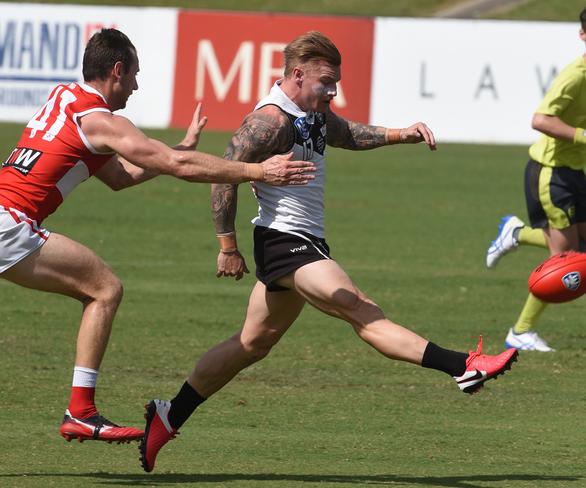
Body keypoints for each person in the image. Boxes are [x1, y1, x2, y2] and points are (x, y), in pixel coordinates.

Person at [138, 31, 518, 472]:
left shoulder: (312, 111)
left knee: (251, 343)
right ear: (298, 75)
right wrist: (227, 245)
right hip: (283, 242)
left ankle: (169, 415)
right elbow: (225, 172)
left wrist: (400, 133)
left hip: (306, 241)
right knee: (359, 309)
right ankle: (464, 366)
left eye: (336, 82)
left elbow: (343, 132)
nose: (332, 90)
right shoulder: (270, 120)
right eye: (325, 82)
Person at [0, 28, 315, 444]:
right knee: (104, 289)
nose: (135, 85)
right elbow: (177, 165)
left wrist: (177, 148)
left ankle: (81, 411)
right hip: (3, 224)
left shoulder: (64, 99)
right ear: (117, 70)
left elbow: (119, 176)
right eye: (134, 74)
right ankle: (81, 411)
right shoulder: (102, 121)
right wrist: (258, 171)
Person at [485, 9, 586, 352]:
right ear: (583, 36)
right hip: (551, 174)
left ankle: (516, 233)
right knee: (567, 256)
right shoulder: (575, 76)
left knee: (580, 248)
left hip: (573, 171)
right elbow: (540, 119)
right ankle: (521, 331)